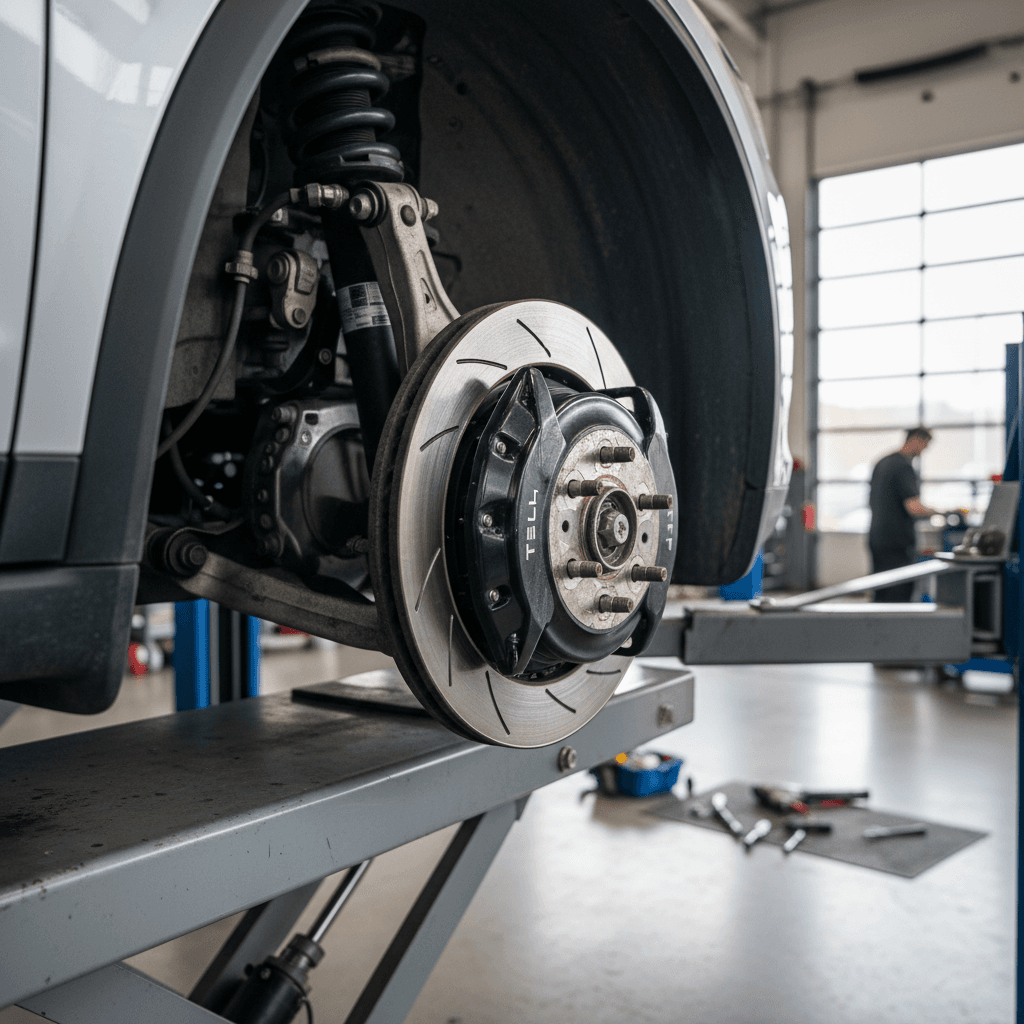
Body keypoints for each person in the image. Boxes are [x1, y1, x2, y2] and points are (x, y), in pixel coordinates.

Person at [868, 428, 937, 602]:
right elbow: (914, 507)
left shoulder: (883, 462)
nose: (924, 450)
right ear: (916, 440)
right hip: (897, 542)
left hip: (877, 538)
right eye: (925, 445)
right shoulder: (903, 467)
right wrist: (939, 512)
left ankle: (876, 627)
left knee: (882, 590)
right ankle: (893, 629)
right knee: (898, 594)